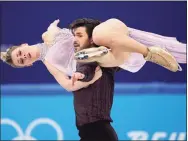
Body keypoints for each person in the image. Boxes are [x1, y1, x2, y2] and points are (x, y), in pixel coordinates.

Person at [70, 20, 119, 141]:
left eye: (80, 35)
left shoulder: (91, 58)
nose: (75, 39)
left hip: (98, 133)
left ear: (92, 39)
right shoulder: (103, 59)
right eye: (74, 35)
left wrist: (81, 75)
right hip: (94, 132)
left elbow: (88, 69)